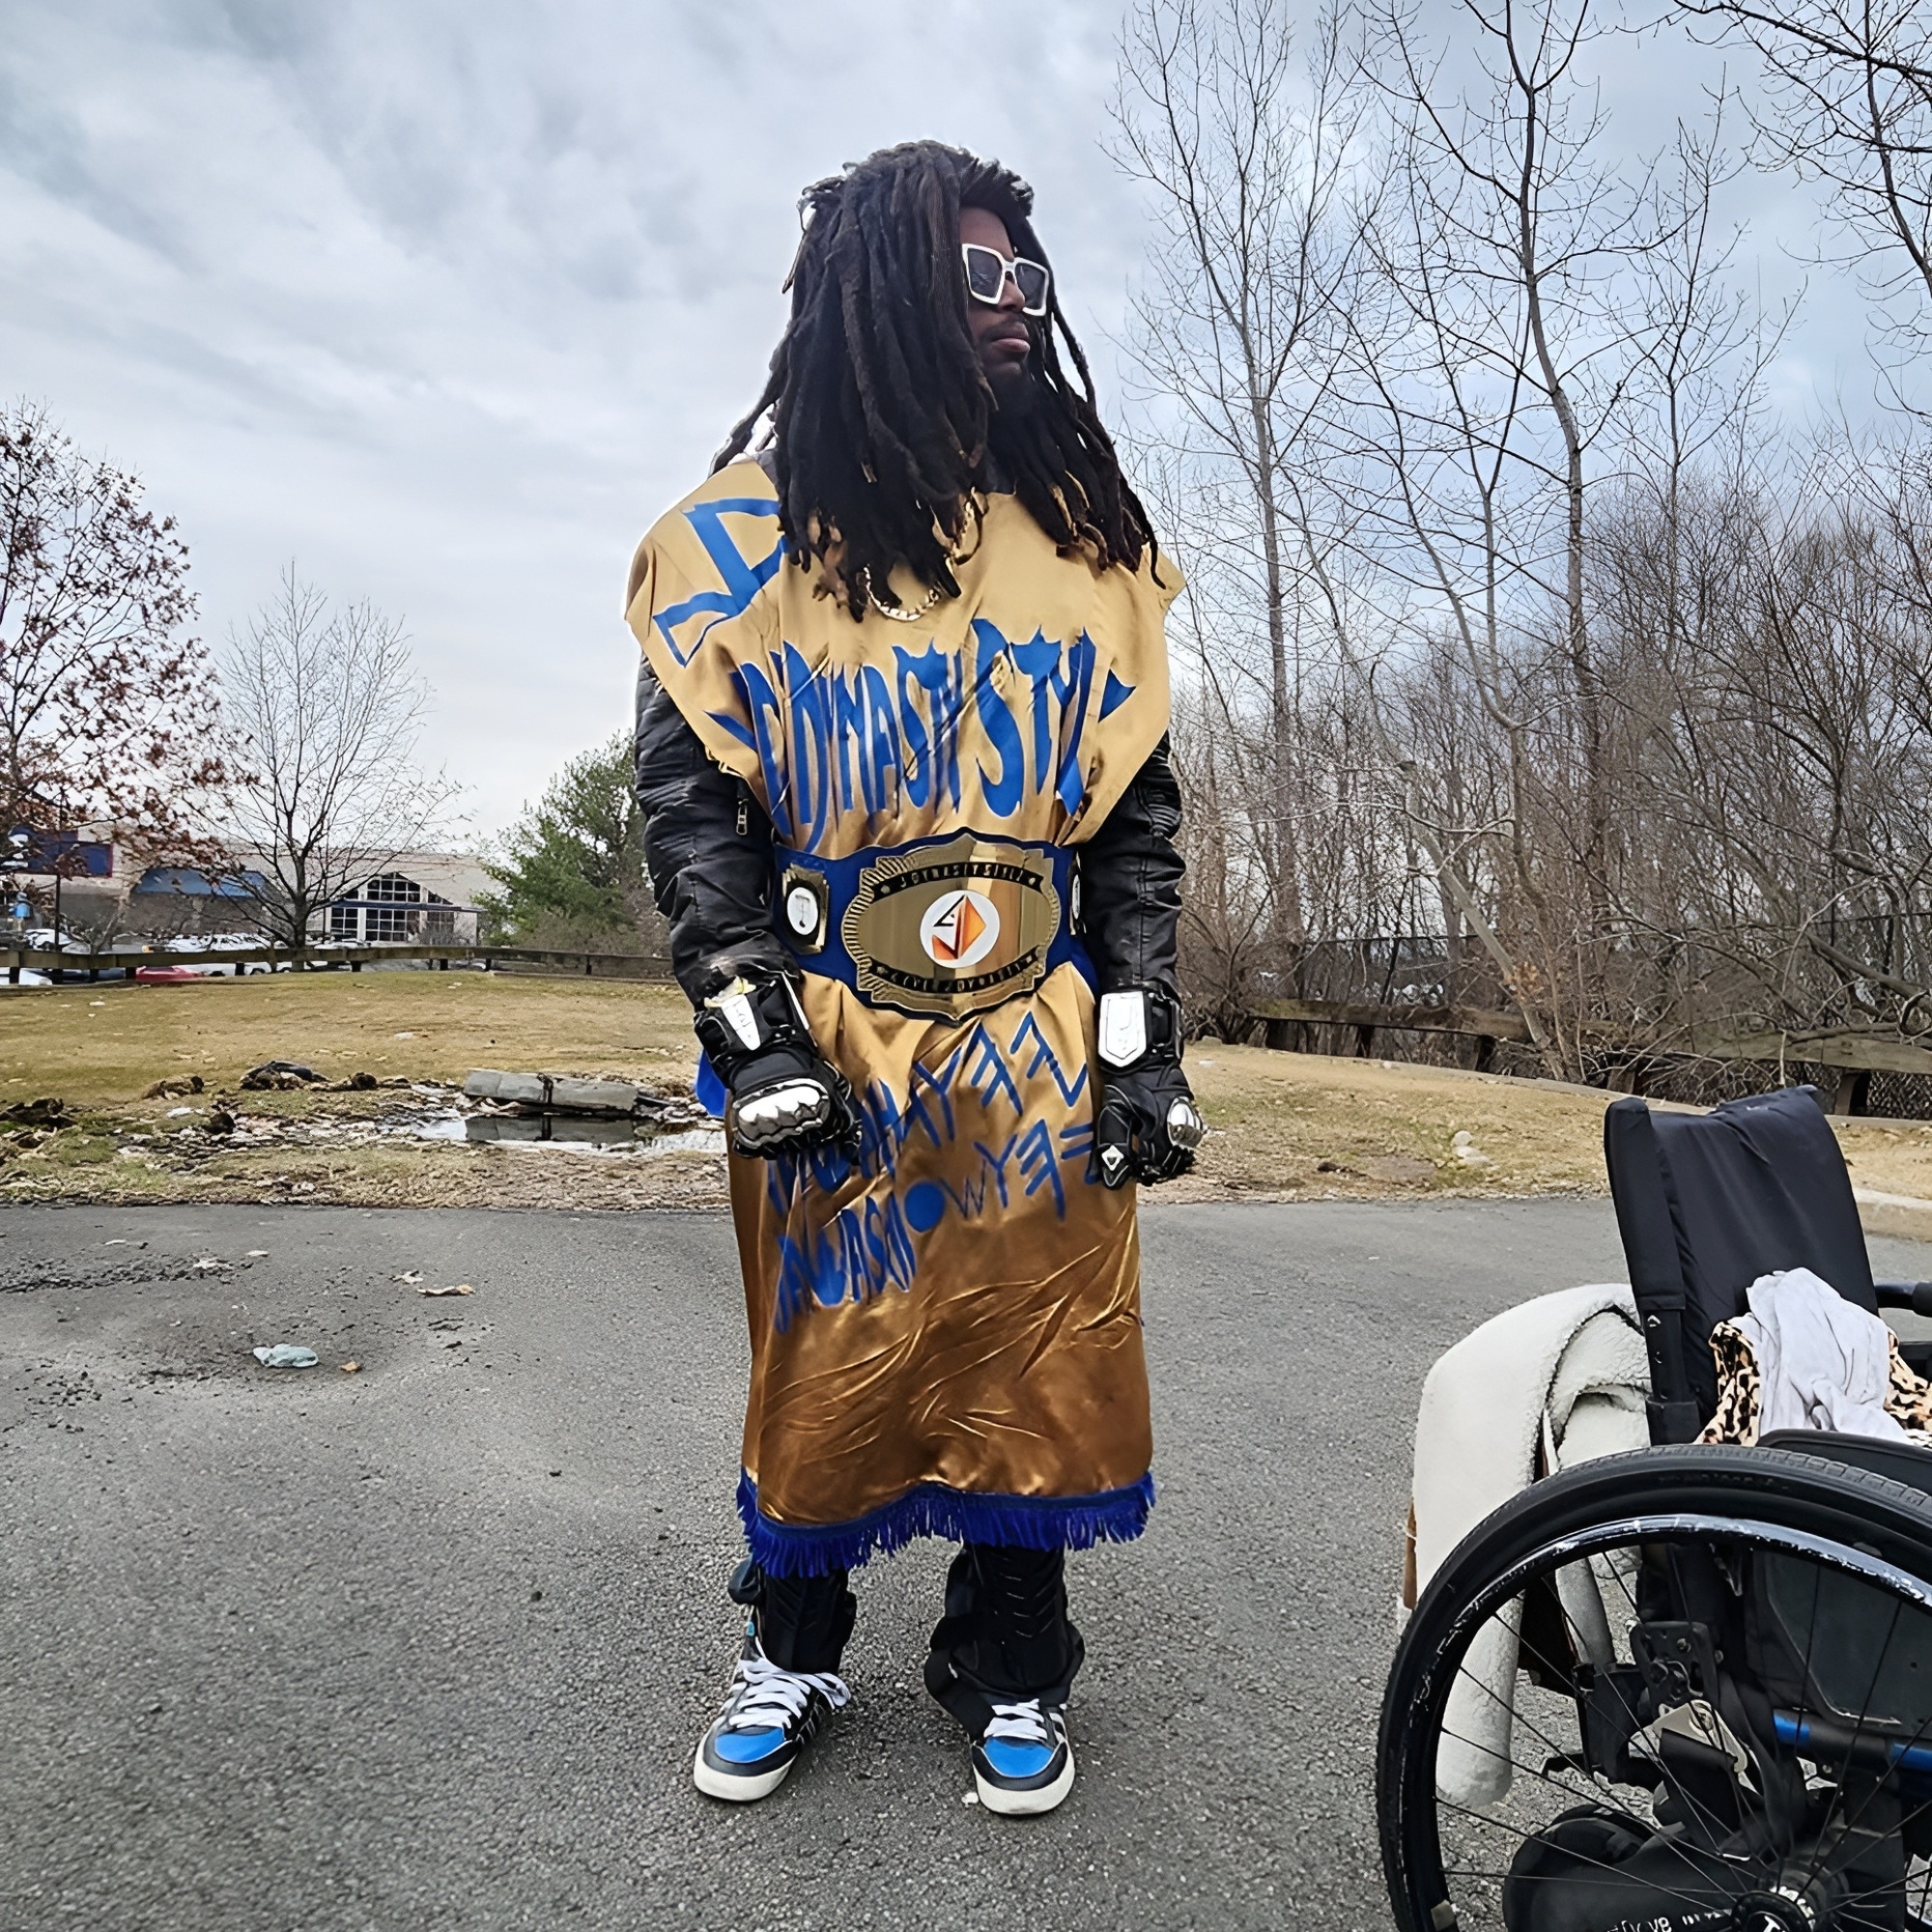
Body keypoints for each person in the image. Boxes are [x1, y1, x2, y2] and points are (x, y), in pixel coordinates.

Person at [625, 139, 1201, 1818]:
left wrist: (1145, 1044)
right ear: (877, 292)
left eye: (1029, 275)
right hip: (836, 1030)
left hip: (1036, 1025)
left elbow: (1136, 823)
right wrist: (752, 1034)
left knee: (1040, 1355)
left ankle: (1011, 1658)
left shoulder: (1087, 545)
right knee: (827, 1353)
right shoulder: (736, 549)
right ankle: (792, 1642)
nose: (1015, 303)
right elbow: (693, 818)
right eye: (976, 275)